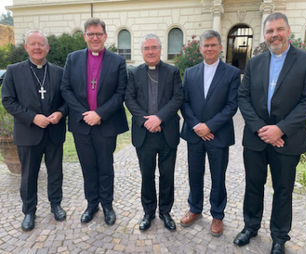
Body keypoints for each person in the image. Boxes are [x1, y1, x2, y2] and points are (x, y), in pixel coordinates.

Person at [233, 12, 306, 254]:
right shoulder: (255, 62)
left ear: (288, 31)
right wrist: (260, 129)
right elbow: (244, 97)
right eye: (270, 31)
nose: (275, 35)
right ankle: (250, 227)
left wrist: (280, 129)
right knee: (253, 185)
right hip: (256, 138)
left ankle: (279, 237)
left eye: (279, 29)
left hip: (287, 140)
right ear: (264, 35)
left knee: (283, 189)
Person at [61, 17, 128, 226]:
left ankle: (107, 205)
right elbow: (66, 89)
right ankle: (92, 204)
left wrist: (99, 113)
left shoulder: (117, 61)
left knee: (106, 166)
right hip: (82, 125)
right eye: (91, 34)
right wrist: (84, 114)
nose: (95, 37)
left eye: (99, 34)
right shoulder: (73, 58)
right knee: (88, 166)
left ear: (105, 36)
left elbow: (120, 93)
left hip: (106, 124)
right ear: (85, 37)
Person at [1, 30, 68, 231]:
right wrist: (33, 118)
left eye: (41, 44)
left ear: (47, 48)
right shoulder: (14, 70)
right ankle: (29, 211)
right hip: (28, 133)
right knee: (29, 175)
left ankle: (56, 205)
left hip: (54, 132)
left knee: (56, 172)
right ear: (26, 47)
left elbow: (68, 101)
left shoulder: (58, 71)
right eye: (33, 44)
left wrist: (60, 113)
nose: (37, 48)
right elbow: (8, 101)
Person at [180, 30, 240, 236]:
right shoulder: (190, 73)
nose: (210, 48)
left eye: (213, 45)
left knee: (218, 176)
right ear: (200, 49)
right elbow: (184, 102)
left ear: (220, 47)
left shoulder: (232, 73)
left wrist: (210, 126)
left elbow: (232, 105)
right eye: (206, 45)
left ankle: (217, 214)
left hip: (218, 135)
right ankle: (195, 209)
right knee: (195, 174)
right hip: (194, 134)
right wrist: (197, 126)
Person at [125, 34, 183, 231]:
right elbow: (129, 99)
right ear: (142, 51)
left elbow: (177, 98)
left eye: (154, 47)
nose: (150, 51)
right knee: (147, 175)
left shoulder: (173, 71)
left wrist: (159, 118)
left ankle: (165, 212)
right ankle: (148, 212)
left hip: (167, 132)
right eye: (146, 48)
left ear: (160, 49)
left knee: (167, 175)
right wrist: (146, 121)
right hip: (144, 134)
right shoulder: (134, 73)